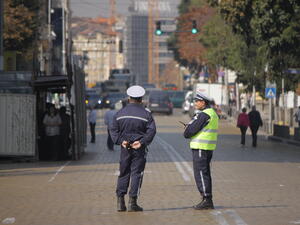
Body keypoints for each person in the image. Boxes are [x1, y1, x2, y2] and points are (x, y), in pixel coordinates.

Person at [110, 85, 156, 212]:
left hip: (125, 148)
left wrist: (121, 141)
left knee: (123, 172)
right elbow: (151, 131)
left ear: (129, 98)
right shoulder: (146, 114)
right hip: (139, 149)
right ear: (141, 99)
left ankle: (120, 203)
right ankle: (132, 203)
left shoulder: (119, 113)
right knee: (136, 173)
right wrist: (141, 142)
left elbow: (113, 129)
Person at [183, 92, 219, 210]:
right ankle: (206, 198)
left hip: (200, 147)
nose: (195, 103)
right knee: (205, 173)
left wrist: (187, 128)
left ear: (203, 102)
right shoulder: (212, 113)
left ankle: (207, 199)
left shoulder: (203, 114)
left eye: (197, 101)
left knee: (200, 173)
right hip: (207, 148)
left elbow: (189, 132)